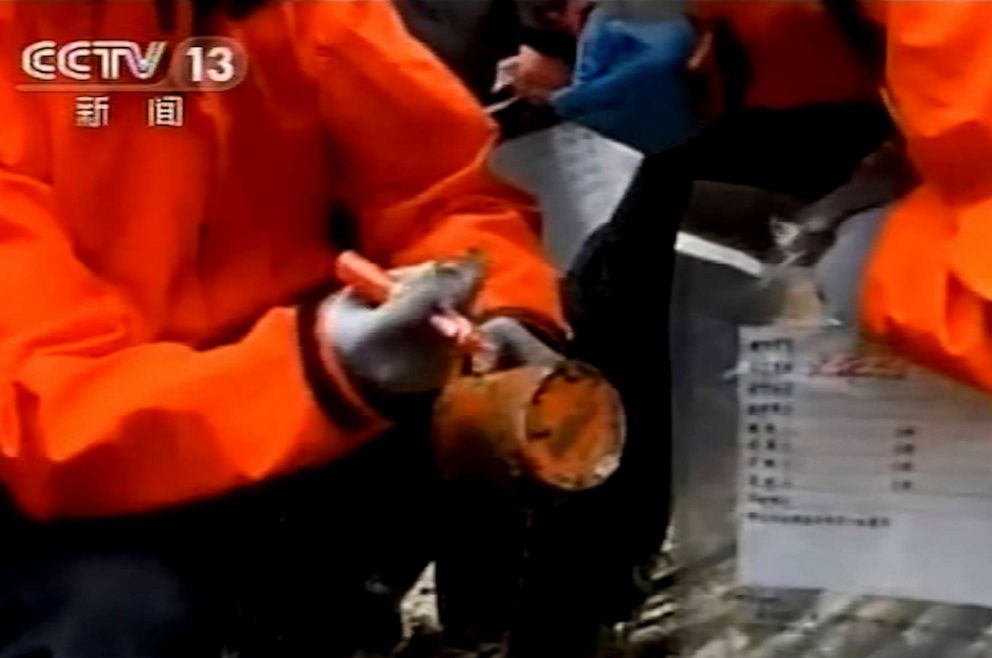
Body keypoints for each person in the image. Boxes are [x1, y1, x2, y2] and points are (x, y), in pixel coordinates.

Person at [0, 0, 566, 656]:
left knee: (494, 436)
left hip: (286, 417)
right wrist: (319, 372)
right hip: (60, 488)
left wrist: (504, 307)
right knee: (117, 614)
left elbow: (446, 191)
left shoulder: (304, 13)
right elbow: (39, 407)